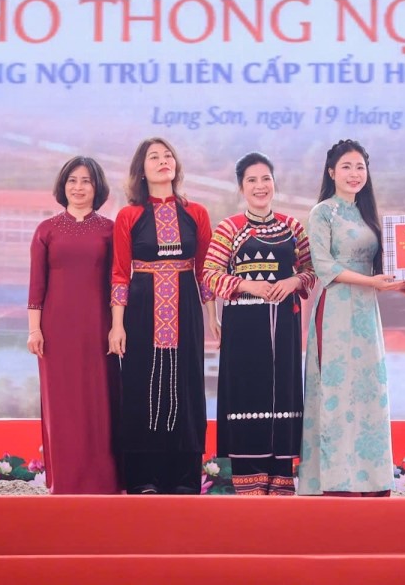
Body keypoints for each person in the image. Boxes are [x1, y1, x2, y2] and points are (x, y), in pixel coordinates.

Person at [202, 152, 318, 496]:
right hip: (243, 327)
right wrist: (246, 285)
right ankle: (248, 480)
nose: (260, 186)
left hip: (283, 325)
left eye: (265, 178)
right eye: (251, 180)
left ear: (274, 183)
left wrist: (294, 282)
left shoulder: (292, 227)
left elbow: (312, 270)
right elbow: (209, 275)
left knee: (283, 392)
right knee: (246, 392)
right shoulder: (229, 228)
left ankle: (281, 478)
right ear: (241, 188)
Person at [108, 137, 214, 495]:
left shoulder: (196, 213)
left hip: (187, 308)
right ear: (141, 170)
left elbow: (204, 270)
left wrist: (212, 317)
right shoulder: (129, 216)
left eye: (168, 155)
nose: (163, 161)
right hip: (140, 310)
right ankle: (143, 478)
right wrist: (117, 325)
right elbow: (120, 273)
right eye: (153, 157)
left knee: (186, 386)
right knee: (142, 385)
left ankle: (184, 479)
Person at [297, 139, 402, 496]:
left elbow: (386, 267)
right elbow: (323, 266)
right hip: (336, 309)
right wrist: (371, 282)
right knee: (337, 390)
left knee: (370, 389)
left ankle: (371, 480)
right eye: (346, 167)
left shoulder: (366, 214)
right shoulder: (322, 212)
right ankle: (335, 481)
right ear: (331, 172)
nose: (354, 174)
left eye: (360, 167)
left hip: (366, 311)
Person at [26, 156, 121, 494]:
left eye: (86, 181)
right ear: (63, 186)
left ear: (98, 187)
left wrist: (117, 327)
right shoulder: (46, 230)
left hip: (99, 329)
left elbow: (117, 283)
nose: (79, 188)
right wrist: (34, 329)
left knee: (99, 401)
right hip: (55, 331)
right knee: (61, 404)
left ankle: (104, 483)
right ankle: (64, 483)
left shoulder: (110, 230)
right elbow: (36, 285)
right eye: (72, 181)